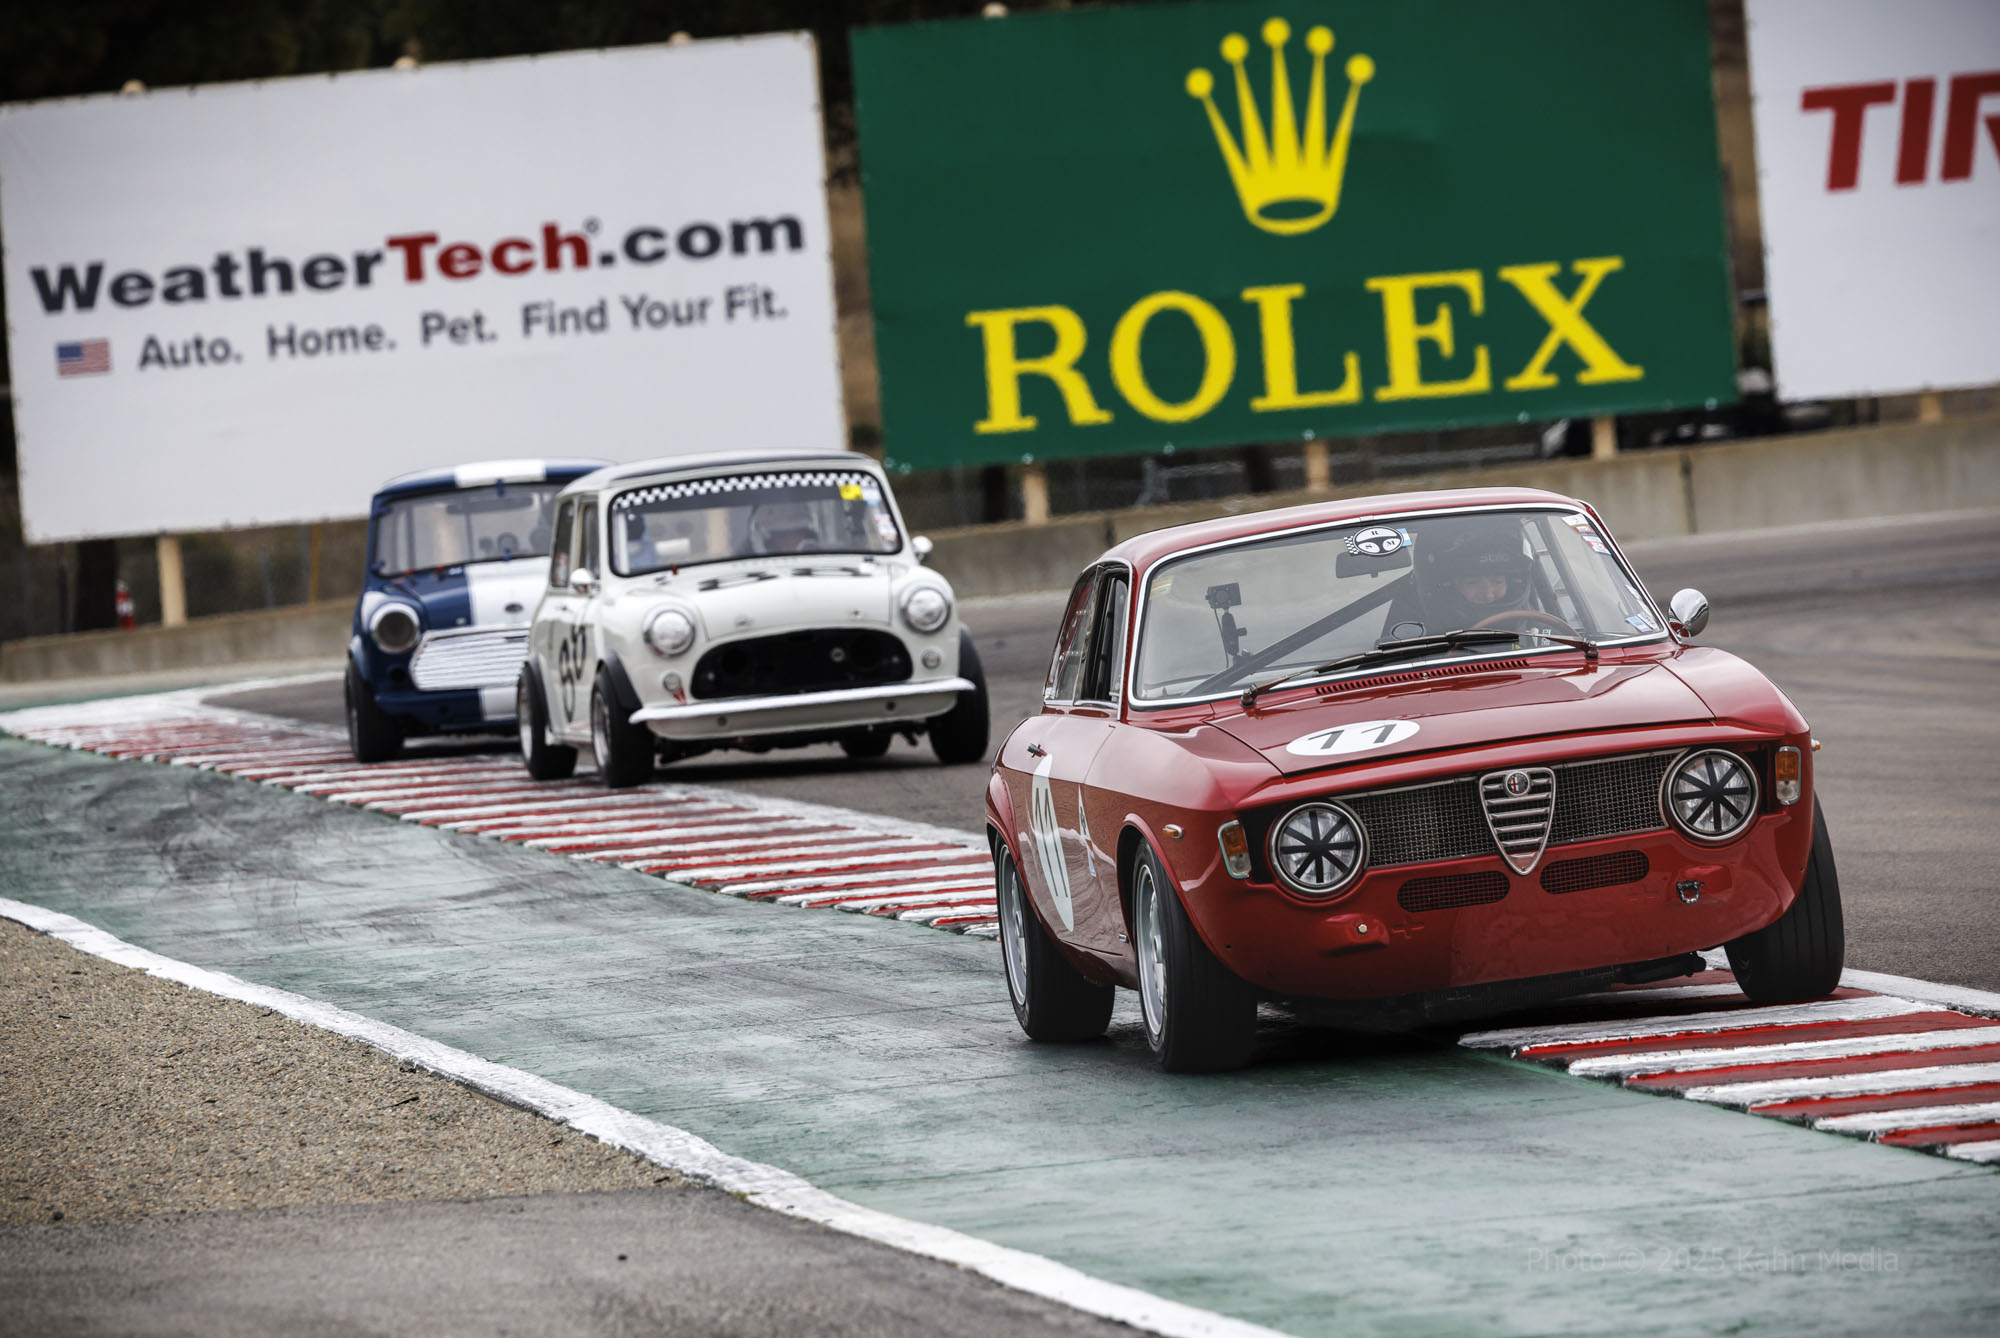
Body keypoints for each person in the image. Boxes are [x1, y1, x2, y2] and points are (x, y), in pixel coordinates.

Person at [1413, 517, 1534, 633]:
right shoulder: (1420, 622)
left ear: (1511, 581)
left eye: (1497, 581)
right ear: (1450, 584)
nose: (1488, 593)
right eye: (1472, 582)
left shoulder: (1532, 620)